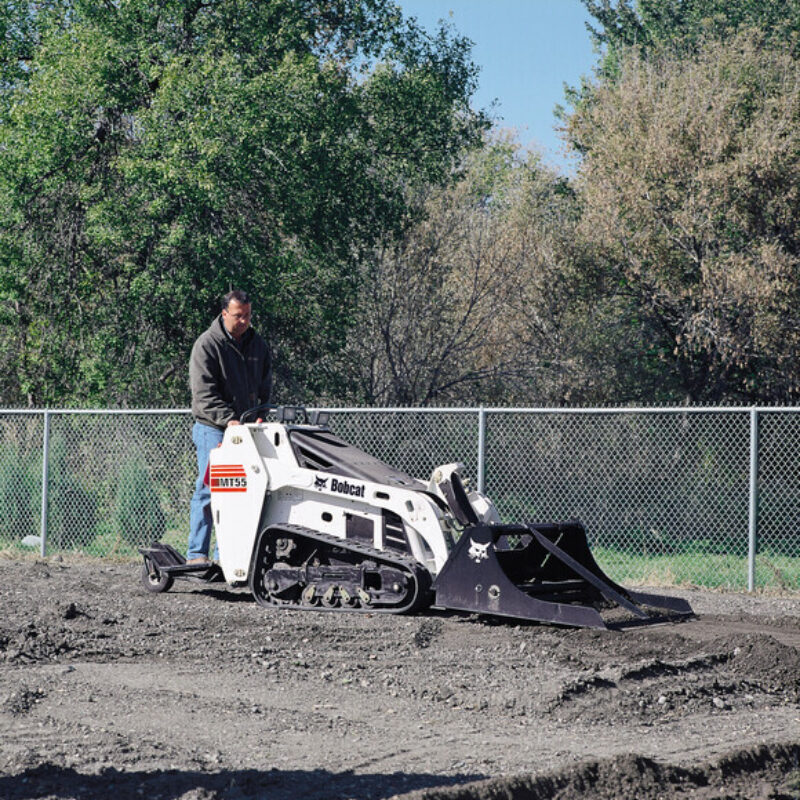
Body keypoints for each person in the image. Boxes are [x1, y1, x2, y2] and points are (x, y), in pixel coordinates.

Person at [186, 289, 272, 564]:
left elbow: (265, 387)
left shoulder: (257, 345)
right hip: (213, 428)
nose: (244, 321)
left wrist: (260, 414)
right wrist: (229, 420)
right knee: (211, 489)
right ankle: (197, 554)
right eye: (238, 316)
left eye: (247, 315)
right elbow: (204, 396)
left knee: (243, 492)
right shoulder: (207, 345)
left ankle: (229, 556)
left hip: (246, 429)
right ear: (224, 314)